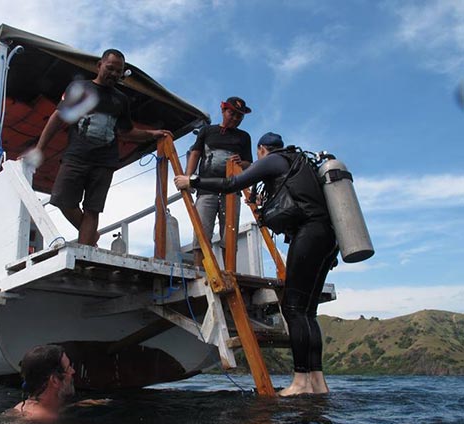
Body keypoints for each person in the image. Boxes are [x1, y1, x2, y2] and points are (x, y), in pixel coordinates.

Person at [174, 132, 338, 396]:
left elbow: (232, 182)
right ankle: (317, 383)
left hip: (309, 234)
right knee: (307, 312)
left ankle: (299, 382)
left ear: (262, 150)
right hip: (328, 237)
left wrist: (191, 180)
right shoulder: (299, 163)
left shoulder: (274, 160)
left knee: (293, 310)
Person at [33, 49, 172, 246]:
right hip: (76, 156)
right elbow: (58, 118)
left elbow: (126, 131)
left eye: (118, 71)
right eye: (110, 68)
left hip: (104, 162)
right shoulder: (79, 88)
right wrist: (39, 148)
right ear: (100, 66)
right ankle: (91, 236)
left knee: (93, 208)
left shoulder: (121, 100)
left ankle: (85, 249)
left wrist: (152, 134)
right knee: (62, 199)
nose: (114, 74)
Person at [185, 97, 253, 267]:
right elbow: (195, 153)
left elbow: (248, 164)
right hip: (206, 188)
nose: (236, 118)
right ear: (223, 111)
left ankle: (230, 272)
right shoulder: (207, 131)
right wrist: (188, 177)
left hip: (231, 190)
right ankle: (199, 272)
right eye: (232, 113)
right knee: (201, 231)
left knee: (229, 235)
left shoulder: (244, 137)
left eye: (240, 116)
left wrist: (241, 162)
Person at [11, 344, 76, 422]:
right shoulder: (43, 418)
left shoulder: (25, 406)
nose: (73, 371)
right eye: (68, 368)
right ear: (54, 380)